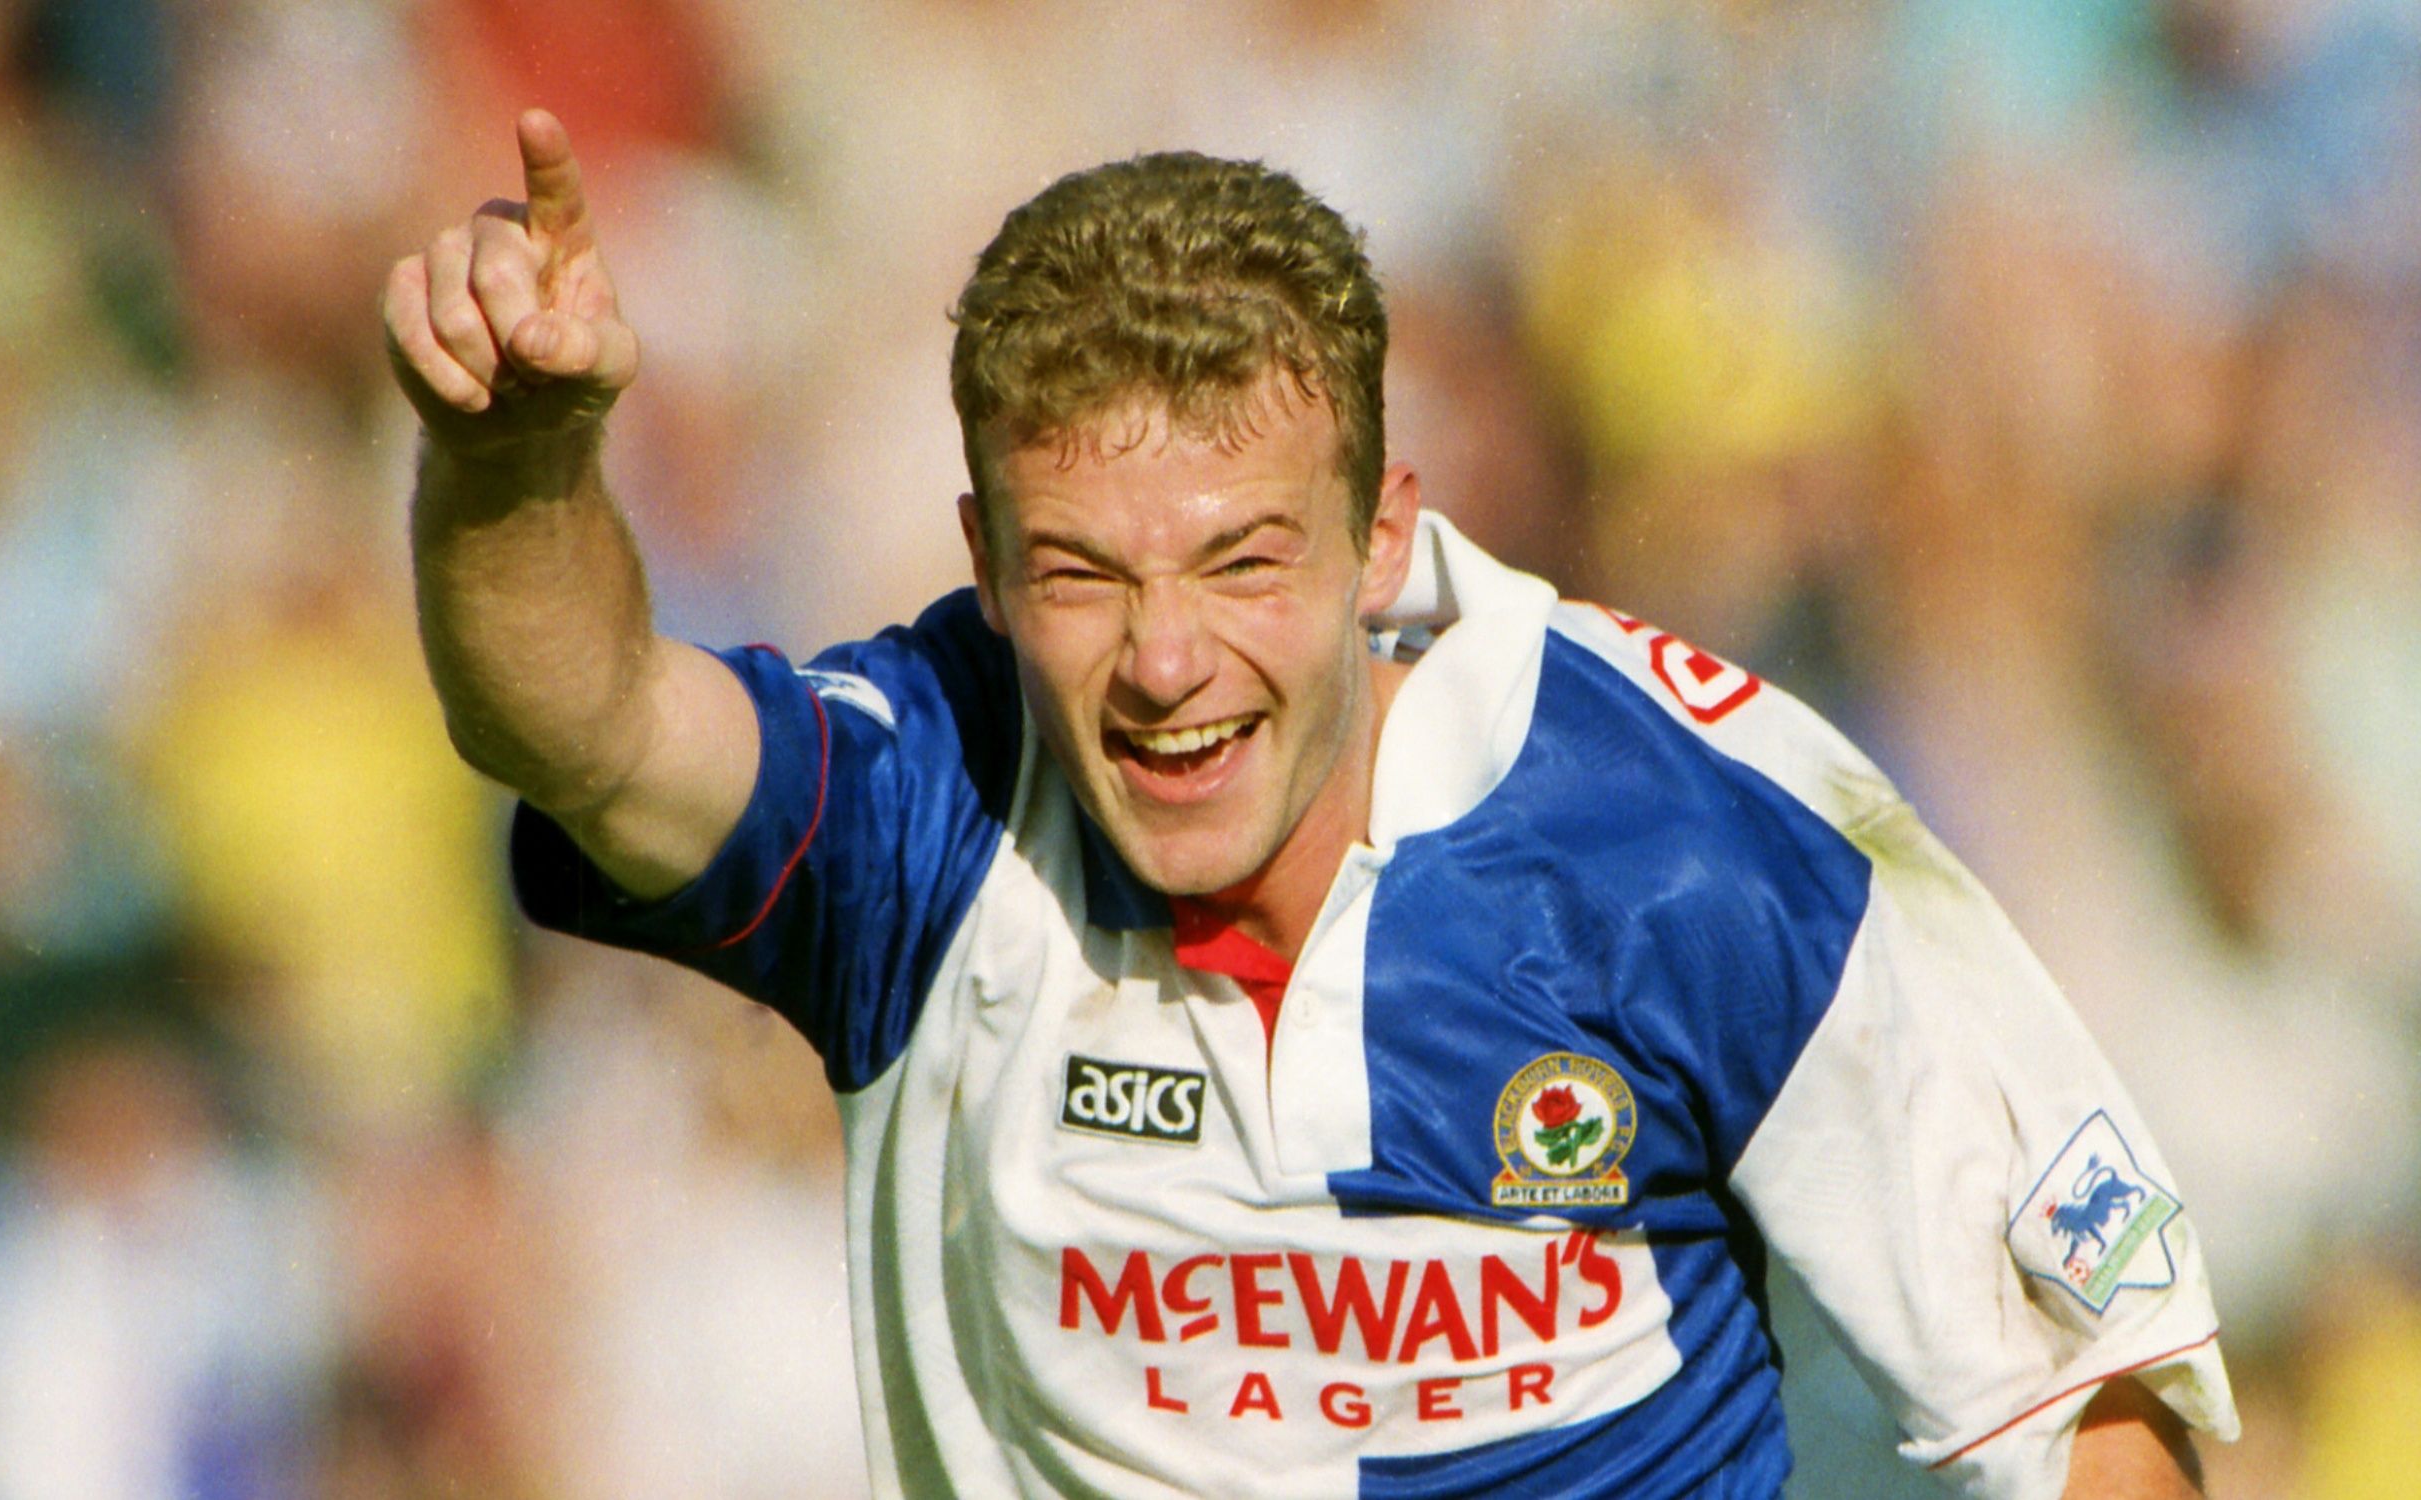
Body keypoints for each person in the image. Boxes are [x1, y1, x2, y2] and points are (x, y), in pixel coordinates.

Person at [382, 108, 2238, 1498]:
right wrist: (512, 457)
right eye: (1083, 573)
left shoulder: (1701, 841)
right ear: (985, 562)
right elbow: (586, 724)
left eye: (1242, 561)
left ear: (1383, 539)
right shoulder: (927, 806)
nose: (1165, 658)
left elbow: (2084, 1405)